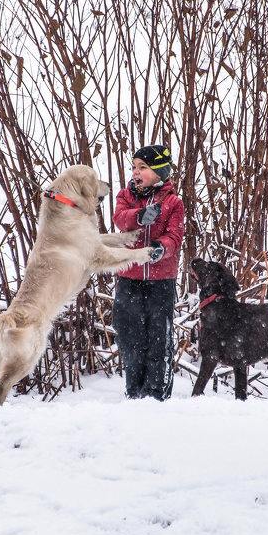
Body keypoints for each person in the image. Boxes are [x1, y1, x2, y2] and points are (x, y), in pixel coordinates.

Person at [112, 144, 186, 400]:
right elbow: (120, 219)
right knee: (129, 334)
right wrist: (140, 215)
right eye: (134, 167)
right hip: (129, 277)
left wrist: (160, 248)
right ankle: (134, 392)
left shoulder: (173, 202)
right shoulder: (126, 196)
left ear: (159, 171)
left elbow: (175, 236)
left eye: (143, 167)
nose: (135, 172)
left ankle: (156, 394)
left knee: (158, 336)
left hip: (161, 281)